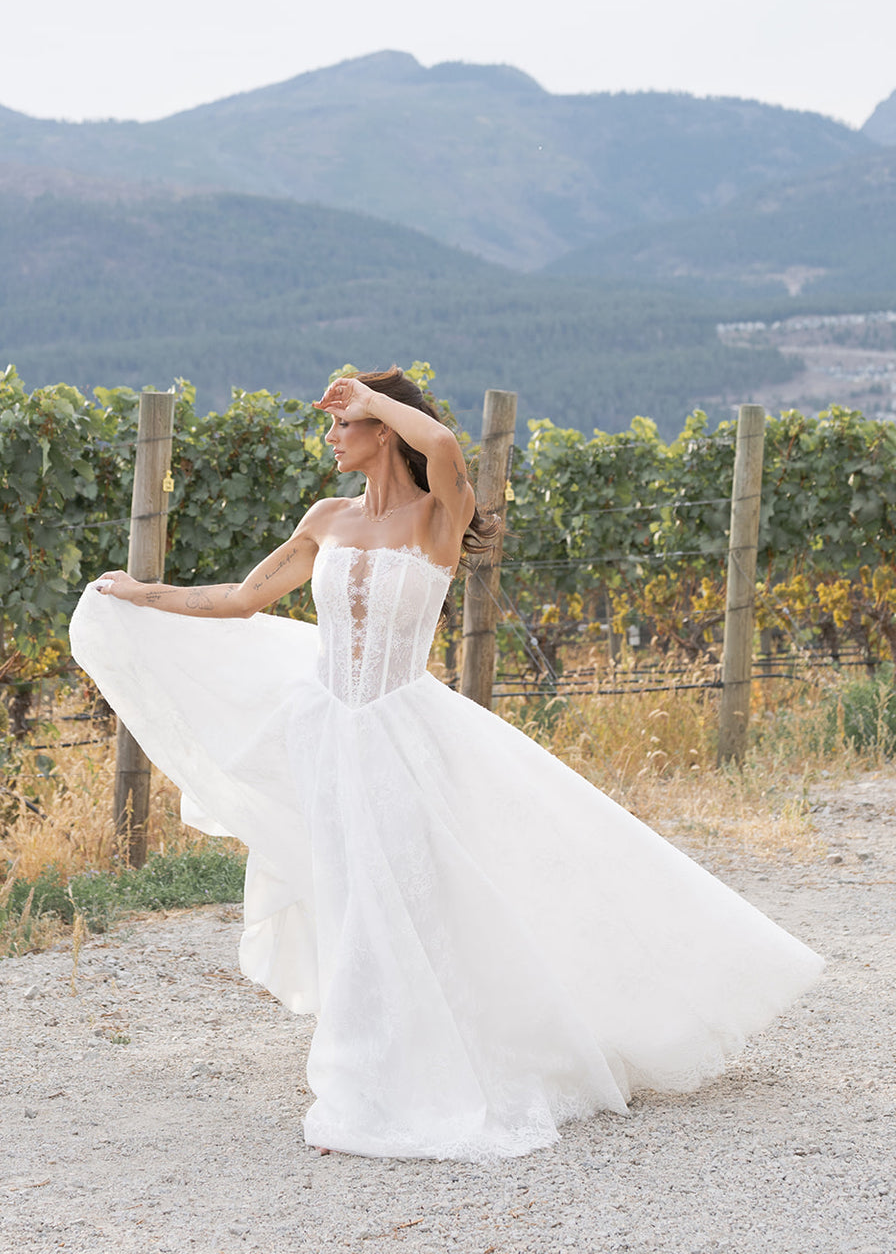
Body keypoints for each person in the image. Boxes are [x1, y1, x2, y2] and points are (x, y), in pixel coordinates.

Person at [69, 367, 824, 1162]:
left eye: (345, 423)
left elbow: (445, 449)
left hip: (401, 735)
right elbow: (239, 599)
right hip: (326, 736)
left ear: (383, 430)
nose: (332, 436)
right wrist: (141, 593)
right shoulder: (326, 518)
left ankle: (422, 1066)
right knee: (352, 894)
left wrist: (372, 395)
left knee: (407, 891)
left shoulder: (439, 514)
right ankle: (364, 1067)